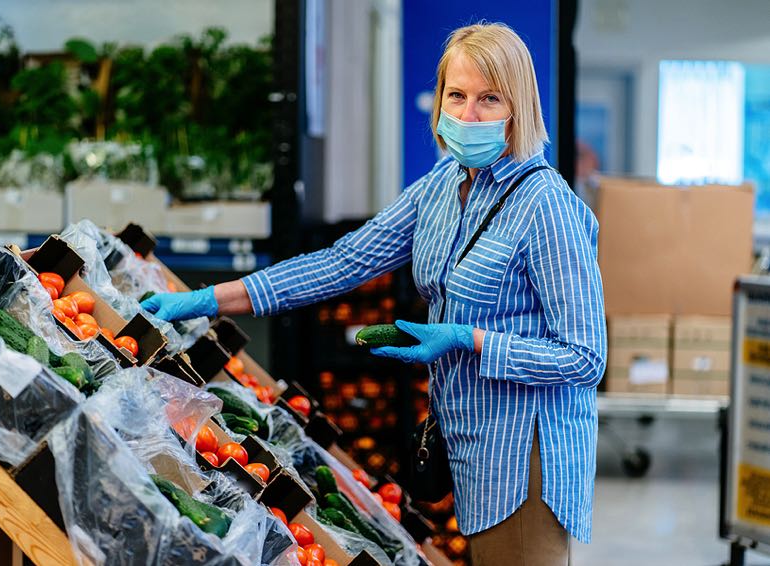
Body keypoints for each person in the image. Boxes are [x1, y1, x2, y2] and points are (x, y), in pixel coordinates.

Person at [143, 22, 606, 566]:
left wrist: (467, 338)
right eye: (455, 96)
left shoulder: (546, 206)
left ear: (519, 107)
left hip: (528, 456)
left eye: (489, 99)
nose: (468, 115)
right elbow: (340, 264)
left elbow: (585, 357)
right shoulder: (439, 186)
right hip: (470, 441)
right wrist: (205, 300)